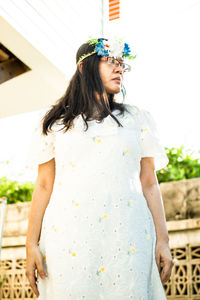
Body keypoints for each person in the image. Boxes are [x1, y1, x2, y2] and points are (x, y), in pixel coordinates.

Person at [25, 37, 174, 300]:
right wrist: (31, 244)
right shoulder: (55, 124)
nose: (119, 69)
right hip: (68, 239)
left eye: (122, 65)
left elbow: (149, 182)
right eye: (110, 62)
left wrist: (163, 240)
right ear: (85, 68)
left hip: (129, 237)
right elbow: (44, 184)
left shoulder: (137, 119)